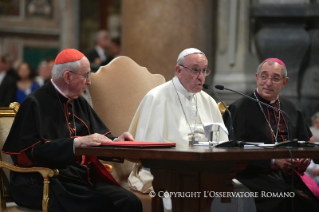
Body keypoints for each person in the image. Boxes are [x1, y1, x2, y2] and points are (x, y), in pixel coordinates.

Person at [2, 48, 142, 212]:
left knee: (130, 202)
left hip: (78, 178)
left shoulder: (79, 101)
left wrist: (117, 143)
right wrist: (75, 144)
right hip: (45, 181)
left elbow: (99, 138)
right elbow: (26, 156)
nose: (89, 81)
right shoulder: (34, 103)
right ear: (68, 76)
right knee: (102, 206)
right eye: (86, 75)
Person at [128, 48, 234, 210]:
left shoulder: (208, 101)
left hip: (203, 172)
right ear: (179, 71)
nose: (201, 77)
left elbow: (222, 145)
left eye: (204, 71)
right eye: (195, 70)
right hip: (165, 172)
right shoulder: (156, 98)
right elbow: (146, 150)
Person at [223, 58, 319, 212]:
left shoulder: (291, 108)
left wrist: (304, 158)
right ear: (257, 78)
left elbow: (303, 143)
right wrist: (273, 160)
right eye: (264, 76)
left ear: (284, 82)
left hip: (288, 174)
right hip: (253, 174)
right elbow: (232, 152)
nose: (268, 83)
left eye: (275, 78)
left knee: (309, 197)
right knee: (284, 197)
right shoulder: (239, 109)